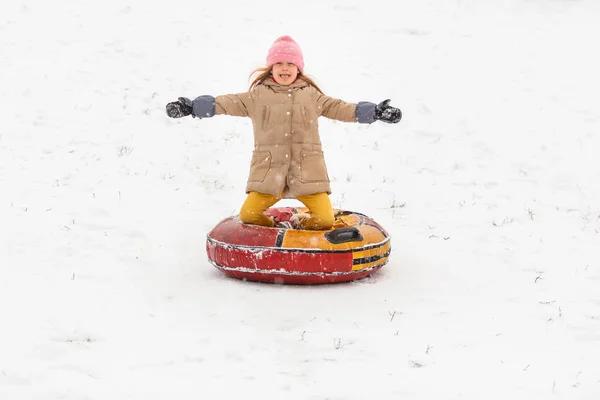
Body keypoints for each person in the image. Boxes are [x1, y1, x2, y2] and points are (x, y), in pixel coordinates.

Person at [166, 35, 401, 230]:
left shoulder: (312, 96)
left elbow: (342, 108)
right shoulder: (257, 96)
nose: (285, 68)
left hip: (307, 173)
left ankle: (300, 224)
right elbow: (224, 103)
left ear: (298, 69)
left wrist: (375, 113)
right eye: (279, 64)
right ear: (271, 67)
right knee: (249, 215)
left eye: (290, 64)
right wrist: (191, 107)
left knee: (324, 220)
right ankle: (275, 227)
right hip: (270, 175)